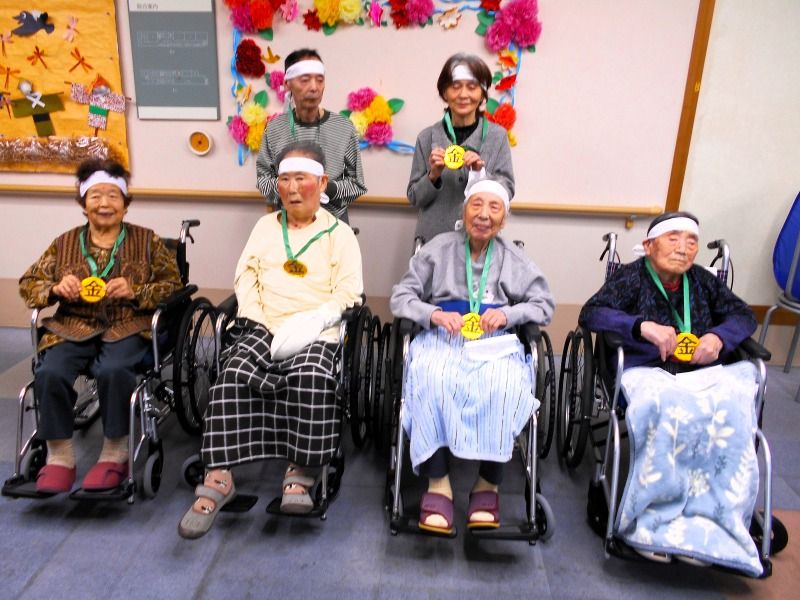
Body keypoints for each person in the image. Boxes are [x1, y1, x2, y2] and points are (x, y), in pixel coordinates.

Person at [179, 141, 363, 539]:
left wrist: (315, 321)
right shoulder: (264, 227)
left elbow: (349, 292)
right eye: (285, 179)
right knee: (232, 374)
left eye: (302, 179)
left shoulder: (340, 234)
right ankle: (219, 476)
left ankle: (301, 471)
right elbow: (245, 277)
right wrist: (257, 319)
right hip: (263, 323)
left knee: (311, 376)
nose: (293, 189)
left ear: (322, 183)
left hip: (316, 329)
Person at [579, 212, 765, 575]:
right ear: (649, 246)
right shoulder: (630, 277)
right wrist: (640, 326)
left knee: (732, 411)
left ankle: (714, 521)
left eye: (691, 241)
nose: (683, 248)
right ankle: (652, 520)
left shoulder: (703, 281)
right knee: (666, 411)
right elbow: (592, 313)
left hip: (701, 373)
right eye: (673, 239)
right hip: (648, 370)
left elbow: (743, 315)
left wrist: (719, 337)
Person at [390, 177, 553, 534]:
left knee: (504, 386)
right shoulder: (438, 249)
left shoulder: (514, 258)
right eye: (476, 205)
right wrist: (433, 314)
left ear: (503, 219)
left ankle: (487, 484)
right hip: (442, 336)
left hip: (494, 342)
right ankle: (438, 483)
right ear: (464, 212)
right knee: (432, 379)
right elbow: (401, 296)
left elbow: (544, 304)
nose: (483, 215)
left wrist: (508, 314)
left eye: (494, 208)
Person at [18, 159, 182, 494]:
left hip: (128, 324)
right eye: (95, 196)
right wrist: (54, 288)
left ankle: (114, 453)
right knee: (50, 371)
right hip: (73, 324)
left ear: (125, 203)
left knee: (114, 370)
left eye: (112, 195)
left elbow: (174, 286)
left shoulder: (147, 241)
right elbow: (29, 283)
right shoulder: (64, 243)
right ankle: (59, 455)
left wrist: (136, 291)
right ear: (83, 203)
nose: (104, 203)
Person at [407, 53, 514, 244]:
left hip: (479, 241)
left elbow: (507, 190)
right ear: (444, 93)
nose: (463, 95)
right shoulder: (427, 137)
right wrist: (433, 175)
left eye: (472, 87)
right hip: (433, 241)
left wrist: (480, 174)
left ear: (482, 93)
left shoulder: (497, 137)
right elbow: (415, 198)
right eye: (455, 87)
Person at [256, 48, 366, 222]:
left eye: (320, 80)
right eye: (305, 80)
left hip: (333, 222)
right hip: (288, 221)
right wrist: (294, 187)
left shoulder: (343, 127)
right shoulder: (275, 128)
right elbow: (263, 180)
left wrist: (325, 187)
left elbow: (357, 184)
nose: (314, 87)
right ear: (287, 84)